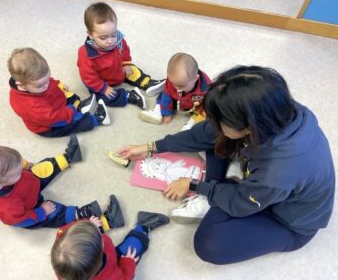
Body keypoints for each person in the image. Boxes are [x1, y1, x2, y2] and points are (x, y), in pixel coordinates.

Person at [118, 66, 335, 264]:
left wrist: (195, 185)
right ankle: (225, 185)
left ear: (250, 126)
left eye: (222, 121)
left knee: (209, 244)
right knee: (217, 140)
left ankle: (227, 185)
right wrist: (151, 147)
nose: (215, 124)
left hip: (287, 222)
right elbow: (205, 132)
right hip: (267, 186)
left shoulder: (278, 172)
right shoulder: (275, 108)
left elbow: (240, 203)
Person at [0, 135, 124, 230]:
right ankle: (88, 216)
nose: (21, 167)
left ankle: (68, 157)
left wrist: (25, 165)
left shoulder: (9, 173)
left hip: (29, 184)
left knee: (43, 167)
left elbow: (18, 165)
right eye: (17, 171)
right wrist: (42, 212)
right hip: (31, 210)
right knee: (56, 213)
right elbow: (23, 220)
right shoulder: (6, 207)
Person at [77, 2, 164, 110]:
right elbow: (88, 77)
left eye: (113, 34)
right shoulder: (85, 54)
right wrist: (102, 87)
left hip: (119, 69)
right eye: (103, 38)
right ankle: (130, 96)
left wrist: (126, 63)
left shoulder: (117, 39)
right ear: (90, 34)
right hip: (102, 82)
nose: (110, 41)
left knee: (133, 70)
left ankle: (147, 82)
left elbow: (125, 50)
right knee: (102, 97)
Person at [8, 47, 110, 138]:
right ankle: (97, 119)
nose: (46, 85)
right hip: (49, 124)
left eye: (47, 79)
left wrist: (58, 85)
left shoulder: (35, 83)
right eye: (40, 85)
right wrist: (70, 111)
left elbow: (49, 82)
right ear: (21, 84)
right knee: (72, 124)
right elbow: (53, 119)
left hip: (53, 103)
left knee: (70, 95)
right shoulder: (31, 106)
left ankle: (79, 106)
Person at [51, 211, 170, 280]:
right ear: (99, 259)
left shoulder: (62, 237)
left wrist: (88, 223)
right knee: (135, 245)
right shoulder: (110, 276)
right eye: (99, 234)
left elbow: (68, 228)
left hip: (96, 260)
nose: (99, 231)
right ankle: (144, 226)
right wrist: (128, 262)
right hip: (115, 263)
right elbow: (125, 277)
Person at [139, 52, 212, 131]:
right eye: (173, 83)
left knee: (206, 111)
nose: (176, 88)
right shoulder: (174, 83)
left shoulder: (206, 89)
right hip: (176, 99)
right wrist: (166, 111)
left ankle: (189, 125)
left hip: (195, 104)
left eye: (181, 86)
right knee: (163, 95)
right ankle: (157, 112)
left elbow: (207, 105)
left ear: (196, 78)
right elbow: (167, 95)